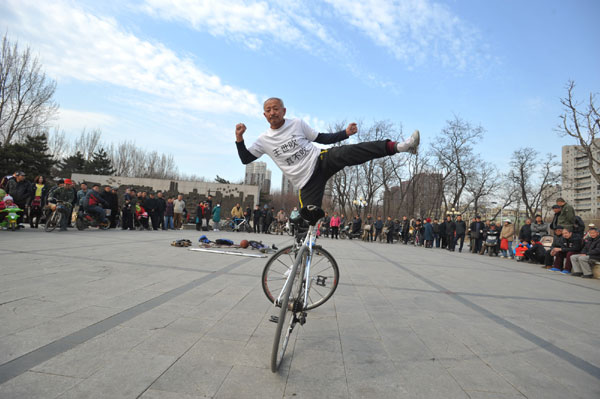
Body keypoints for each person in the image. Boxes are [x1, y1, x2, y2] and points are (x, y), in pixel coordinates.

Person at [235, 97, 419, 211]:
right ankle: (299, 264)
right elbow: (245, 159)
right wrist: (239, 139)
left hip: (320, 160)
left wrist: (345, 133)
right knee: (306, 220)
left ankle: (401, 147)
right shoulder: (263, 140)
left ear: (284, 111)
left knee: (351, 152)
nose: (272, 112)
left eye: (276, 108)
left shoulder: (297, 123)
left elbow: (321, 138)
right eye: (268, 110)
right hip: (306, 183)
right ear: (264, 115)